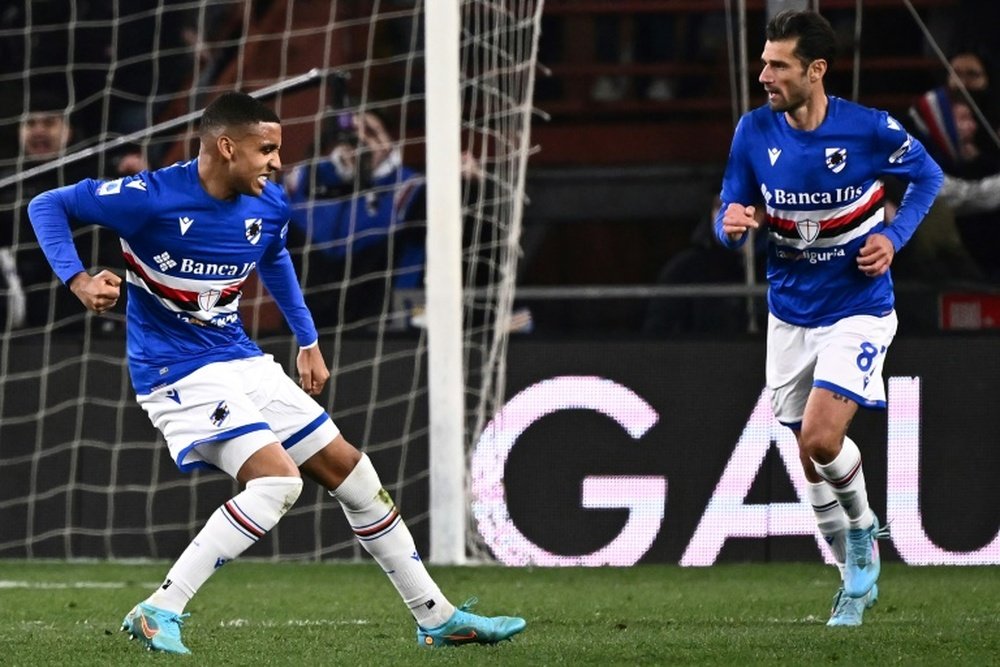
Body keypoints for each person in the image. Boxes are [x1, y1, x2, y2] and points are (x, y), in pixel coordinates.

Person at [27, 92, 525, 655]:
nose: (276, 162)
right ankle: (159, 608)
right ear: (225, 146)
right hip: (176, 370)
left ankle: (436, 617)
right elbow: (46, 204)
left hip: (240, 358)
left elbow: (276, 258)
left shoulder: (268, 205)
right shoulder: (149, 197)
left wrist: (308, 340)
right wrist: (78, 281)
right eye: (266, 149)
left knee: (355, 476)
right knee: (278, 481)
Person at [715, 11, 942, 627]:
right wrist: (730, 225)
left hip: (858, 309)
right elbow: (729, 205)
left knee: (820, 437)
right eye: (763, 61)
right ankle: (853, 586)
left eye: (777, 64)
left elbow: (926, 174)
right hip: (789, 314)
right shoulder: (752, 131)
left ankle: (865, 528)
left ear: (815, 71)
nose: (763, 74)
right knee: (808, 459)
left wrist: (893, 236)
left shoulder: (866, 130)